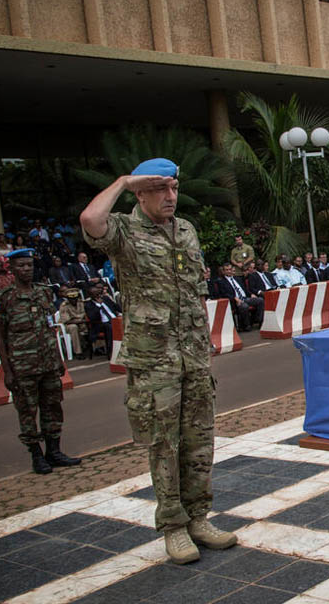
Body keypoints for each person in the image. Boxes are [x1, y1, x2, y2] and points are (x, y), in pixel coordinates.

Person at [80, 157, 236, 564]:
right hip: (155, 360)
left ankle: (200, 518)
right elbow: (91, 219)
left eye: (174, 188)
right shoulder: (124, 230)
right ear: (140, 193)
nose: (170, 197)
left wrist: (204, 341)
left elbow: (194, 292)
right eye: (160, 189)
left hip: (194, 356)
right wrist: (123, 179)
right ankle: (173, 527)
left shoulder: (185, 230)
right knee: (164, 445)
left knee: (200, 441)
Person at [0, 248, 81, 475]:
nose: (26, 269)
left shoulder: (43, 293)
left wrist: (59, 359)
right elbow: (0, 337)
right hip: (23, 366)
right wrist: (8, 371)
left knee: (53, 407)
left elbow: (50, 328)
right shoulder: (3, 298)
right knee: (27, 412)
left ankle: (54, 451)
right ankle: (36, 456)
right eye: (21, 266)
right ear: (11, 269)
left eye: (29, 265)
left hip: (48, 362)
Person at [215, 263, 262, 331]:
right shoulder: (221, 282)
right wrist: (234, 298)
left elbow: (245, 289)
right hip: (235, 300)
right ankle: (246, 326)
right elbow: (224, 294)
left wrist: (251, 294)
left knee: (260, 300)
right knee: (244, 306)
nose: (229, 271)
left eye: (230, 269)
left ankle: (260, 321)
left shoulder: (238, 279)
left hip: (245, 298)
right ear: (224, 271)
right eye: (227, 270)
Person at [84, 283, 120, 357]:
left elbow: (117, 307)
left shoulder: (106, 299)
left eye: (99, 293)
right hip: (100, 324)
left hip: (114, 319)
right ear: (91, 296)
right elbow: (92, 317)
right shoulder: (88, 304)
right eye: (95, 294)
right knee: (109, 327)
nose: (98, 295)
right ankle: (111, 352)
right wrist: (99, 305)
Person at [58, 288, 88, 359]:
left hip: (81, 323)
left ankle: (97, 348)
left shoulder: (81, 303)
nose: (74, 300)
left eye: (75, 298)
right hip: (68, 325)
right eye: (71, 299)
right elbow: (67, 321)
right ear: (68, 299)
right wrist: (81, 321)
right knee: (73, 327)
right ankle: (78, 352)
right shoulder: (64, 306)